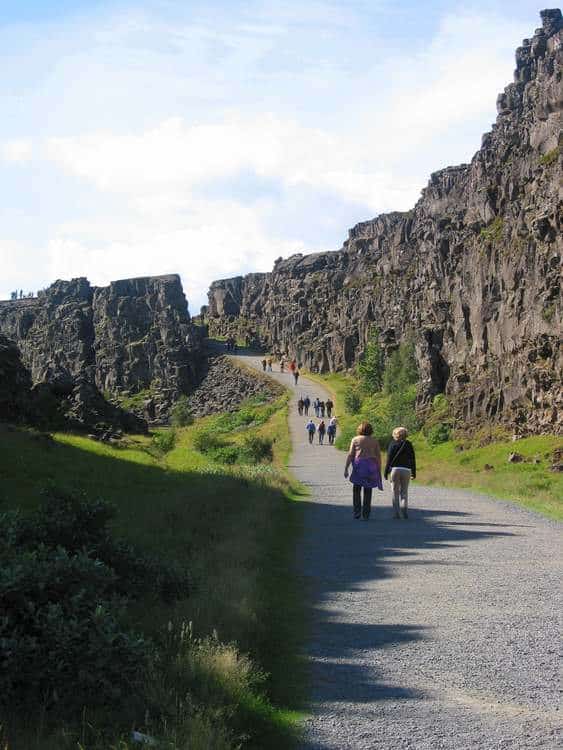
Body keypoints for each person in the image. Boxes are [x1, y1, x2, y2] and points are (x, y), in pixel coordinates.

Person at [344, 421, 383, 521]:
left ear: (360, 429)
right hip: (371, 465)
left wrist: (346, 468)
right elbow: (378, 456)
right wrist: (379, 468)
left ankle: (357, 512)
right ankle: (366, 513)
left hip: (359, 465)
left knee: (356, 489)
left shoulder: (355, 439)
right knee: (368, 490)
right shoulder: (374, 441)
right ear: (371, 430)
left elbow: (350, 454)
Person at [384, 427, 416, 519]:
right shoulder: (409, 444)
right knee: (404, 492)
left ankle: (396, 514)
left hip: (395, 470)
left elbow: (389, 459)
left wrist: (386, 472)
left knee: (395, 492)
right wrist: (414, 473)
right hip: (406, 470)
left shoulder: (392, 444)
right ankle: (404, 512)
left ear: (395, 434)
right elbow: (412, 459)